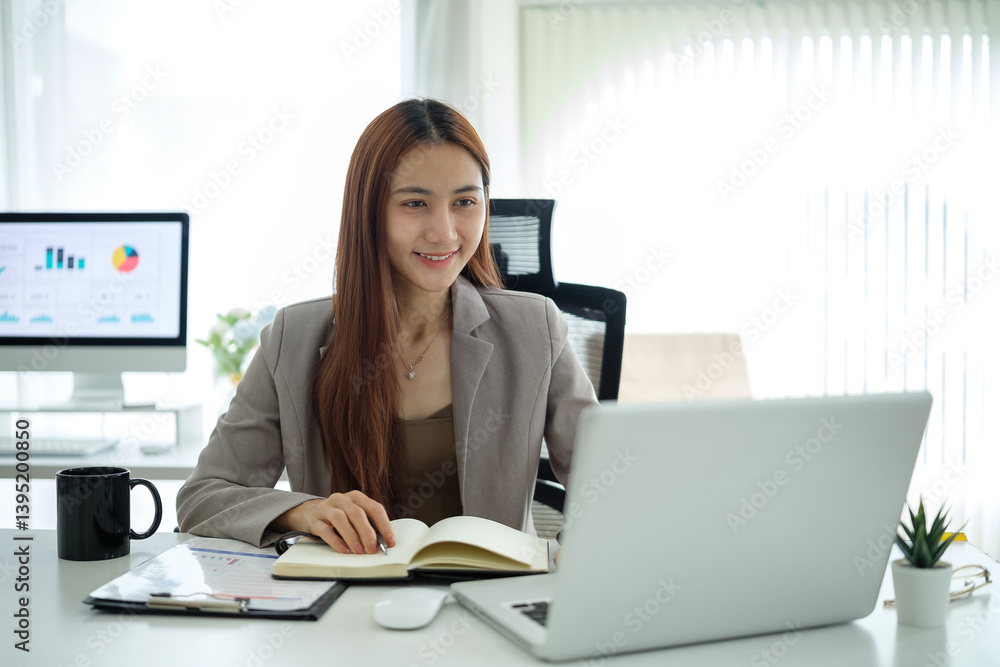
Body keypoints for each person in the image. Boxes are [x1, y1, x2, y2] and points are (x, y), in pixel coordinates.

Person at [177, 98, 598, 554]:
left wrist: (574, 564)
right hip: (344, 607)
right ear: (369, 211)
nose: (444, 232)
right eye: (415, 203)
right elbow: (202, 497)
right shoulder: (293, 338)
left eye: (464, 202)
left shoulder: (535, 328)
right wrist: (306, 511)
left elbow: (611, 485)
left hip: (491, 603)